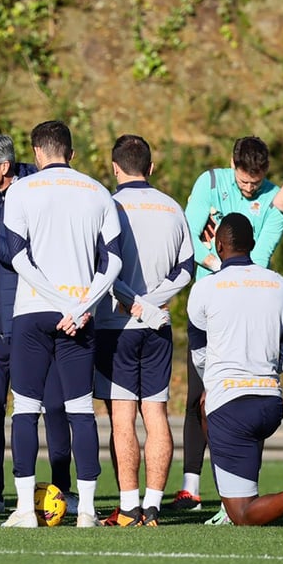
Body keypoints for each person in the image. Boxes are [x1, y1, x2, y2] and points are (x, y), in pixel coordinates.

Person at [2, 120, 121, 528]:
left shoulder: (20, 189)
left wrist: (57, 302)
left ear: (36, 153)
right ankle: (86, 510)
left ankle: (23, 510)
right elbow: (114, 261)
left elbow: (18, 258)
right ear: (71, 153)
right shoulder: (97, 191)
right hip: (81, 314)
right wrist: (81, 303)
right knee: (81, 410)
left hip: (33, 310)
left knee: (25, 410)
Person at [188, 213, 283, 526]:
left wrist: (221, 380)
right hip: (270, 404)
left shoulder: (205, 288)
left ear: (218, 245)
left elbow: (199, 355)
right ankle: (233, 495)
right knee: (220, 416)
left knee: (243, 516)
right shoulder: (280, 285)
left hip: (230, 405)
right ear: (252, 245)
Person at [0, 133, 74, 516]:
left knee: (56, 406)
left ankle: (65, 489)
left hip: (41, 313)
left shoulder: (40, 189)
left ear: (5, 166)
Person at [175, 136, 283, 510]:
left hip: (249, 300)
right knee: (198, 395)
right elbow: (188, 236)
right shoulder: (209, 183)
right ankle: (191, 485)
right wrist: (215, 265)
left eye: (256, 181)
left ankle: (240, 490)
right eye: (244, 180)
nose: (250, 187)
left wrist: (230, 267)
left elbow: (264, 252)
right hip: (211, 298)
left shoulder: (274, 199)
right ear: (232, 164)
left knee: (245, 395)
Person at [94, 135, 192, 527]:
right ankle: (152, 505)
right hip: (157, 325)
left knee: (122, 418)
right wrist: (152, 303)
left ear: (115, 168)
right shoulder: (172, 207)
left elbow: (103, 264)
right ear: (150, 168)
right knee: (156, 413)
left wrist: (132, 300)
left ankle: (129, 506)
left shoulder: (109, 205)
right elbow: (187, 267)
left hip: (116, 325)